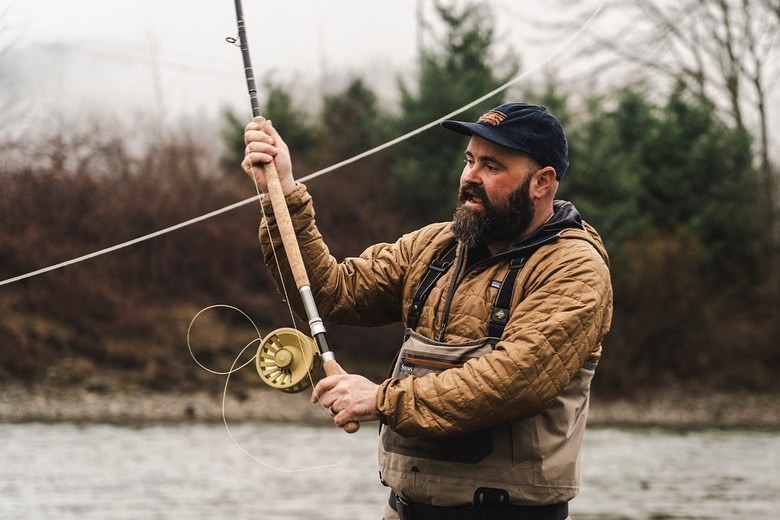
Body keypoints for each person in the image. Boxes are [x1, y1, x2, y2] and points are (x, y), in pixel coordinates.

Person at [242, 102, 613, 520]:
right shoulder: (434, 246)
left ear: (542, 183)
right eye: (470, 160)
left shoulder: (574, 269)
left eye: (491, 166)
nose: (470, 176)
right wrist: (283, 192)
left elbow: (514, 382)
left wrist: (381, 399)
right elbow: (332, 292)